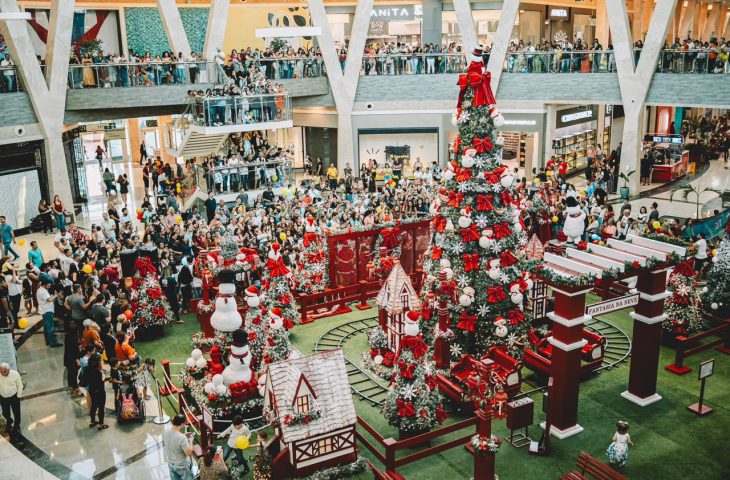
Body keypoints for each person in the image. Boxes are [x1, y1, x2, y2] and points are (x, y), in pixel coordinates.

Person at [163, 414, 195, 480]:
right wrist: (191, 441)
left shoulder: (165, 432)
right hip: (181, 465)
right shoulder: (181, 438)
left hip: (170, 463)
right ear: (182, 423)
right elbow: (188, 453)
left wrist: (184, 435)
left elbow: (173, 438)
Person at [37, 277, 62, 347]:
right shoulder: (43, 291)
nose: (50, 286)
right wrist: (57, 295)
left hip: (45, 310)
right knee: (50, 327)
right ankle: (53, 342)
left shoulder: (41, 290)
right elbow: (49, 299)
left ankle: (48, 341)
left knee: (46, 327)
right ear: (45, 284)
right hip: (47, 311)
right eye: (49, 284)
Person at [86, 354, 108, 430]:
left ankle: (92, 421)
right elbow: (102, 380)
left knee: (94, 405)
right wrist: (103, 373)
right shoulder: (99, 373)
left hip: (91, 390)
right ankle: (101, 424)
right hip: (100, 391)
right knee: (101, 407)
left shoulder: (87, 369)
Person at [0, 363, 23, 438]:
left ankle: (16, 426)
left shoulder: (15, 374)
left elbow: (20, 385)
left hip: (14, 397)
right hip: (3, 398)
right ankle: (9, 421)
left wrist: (18, 396)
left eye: (4, 371)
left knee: (16, 413)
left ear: (8, 370)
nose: (3, 373)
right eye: (1, 371)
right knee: (5, 413)